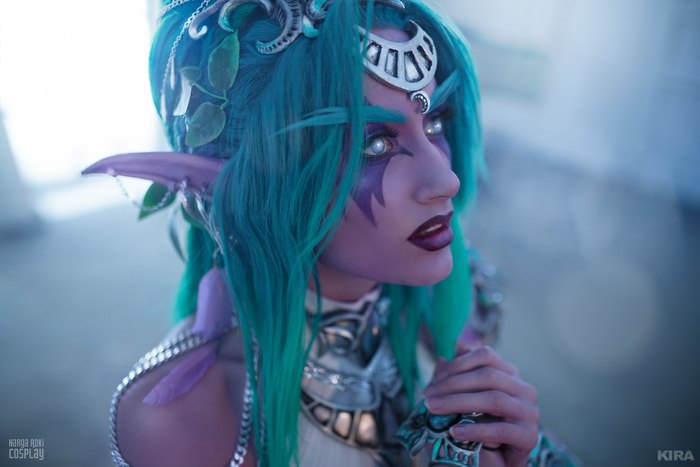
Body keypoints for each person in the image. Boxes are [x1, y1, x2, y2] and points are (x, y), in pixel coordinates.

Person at [85, 0, 579, 465]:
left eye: (434, 124)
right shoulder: (181, 417)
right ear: (254, 186)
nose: (444, 180)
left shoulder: (458, 301)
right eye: (375, 144)